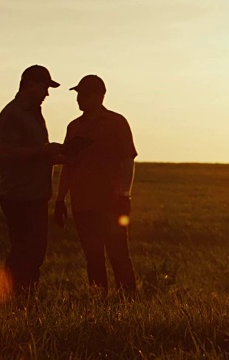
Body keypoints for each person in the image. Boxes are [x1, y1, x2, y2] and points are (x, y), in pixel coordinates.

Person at [54, 74, 137, 295]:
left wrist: (124, 195)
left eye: (83, 94)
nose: (79, 99)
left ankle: (128, 303)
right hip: (82, 205)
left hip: (111, 204)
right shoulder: (74, 127)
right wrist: (60, 199)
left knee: (119, 256)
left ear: (99, 97)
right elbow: (68, 166)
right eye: (78, 94)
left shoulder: (117, 123)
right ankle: (98, 303)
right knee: (93, 258)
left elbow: (127, 161)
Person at [0, 65, 63, 295]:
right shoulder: (13, 115)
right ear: (30, 85)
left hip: (35, 194)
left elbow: (34, 153)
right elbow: (10, 152)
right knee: (26, 250)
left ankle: (24, 298)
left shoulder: (33, 113)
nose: (47, 93)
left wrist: (62, 156)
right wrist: (45, 151)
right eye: (44, 87)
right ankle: (14, 296)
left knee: (34, 251)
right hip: (20, 195)